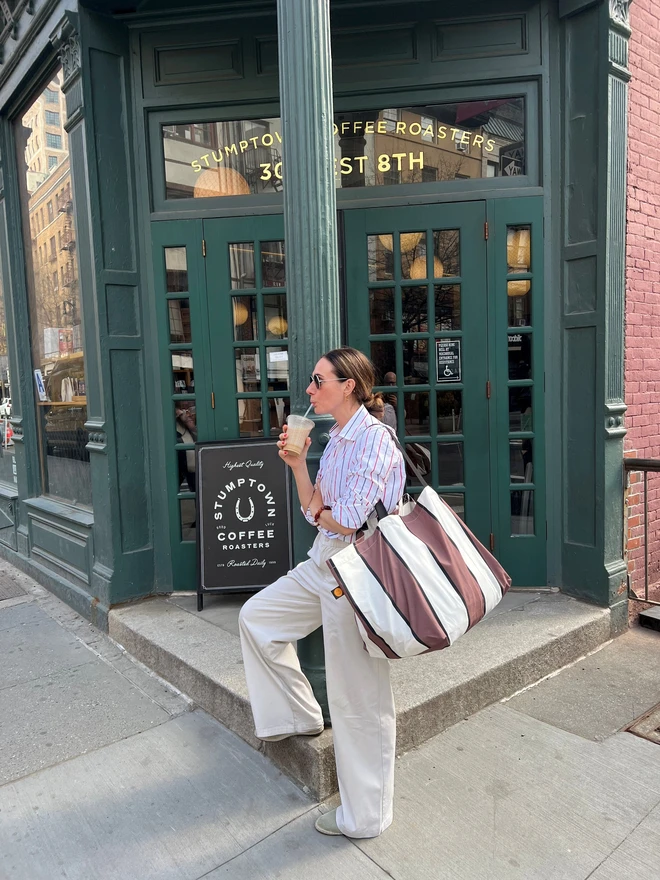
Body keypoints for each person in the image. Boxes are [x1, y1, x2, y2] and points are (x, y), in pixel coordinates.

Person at [238, 347, 405, 839]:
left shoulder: (373, 439)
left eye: (317, 380)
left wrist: (323, 511)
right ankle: (301, 714)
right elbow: (316, 506)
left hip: (356, 575)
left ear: (348, 385)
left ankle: (367, 817)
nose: (309, 390)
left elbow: (349, 518)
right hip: (323, 563)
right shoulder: (334, 440)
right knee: (257, 617)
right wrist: (297, 464)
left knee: (359, 699)